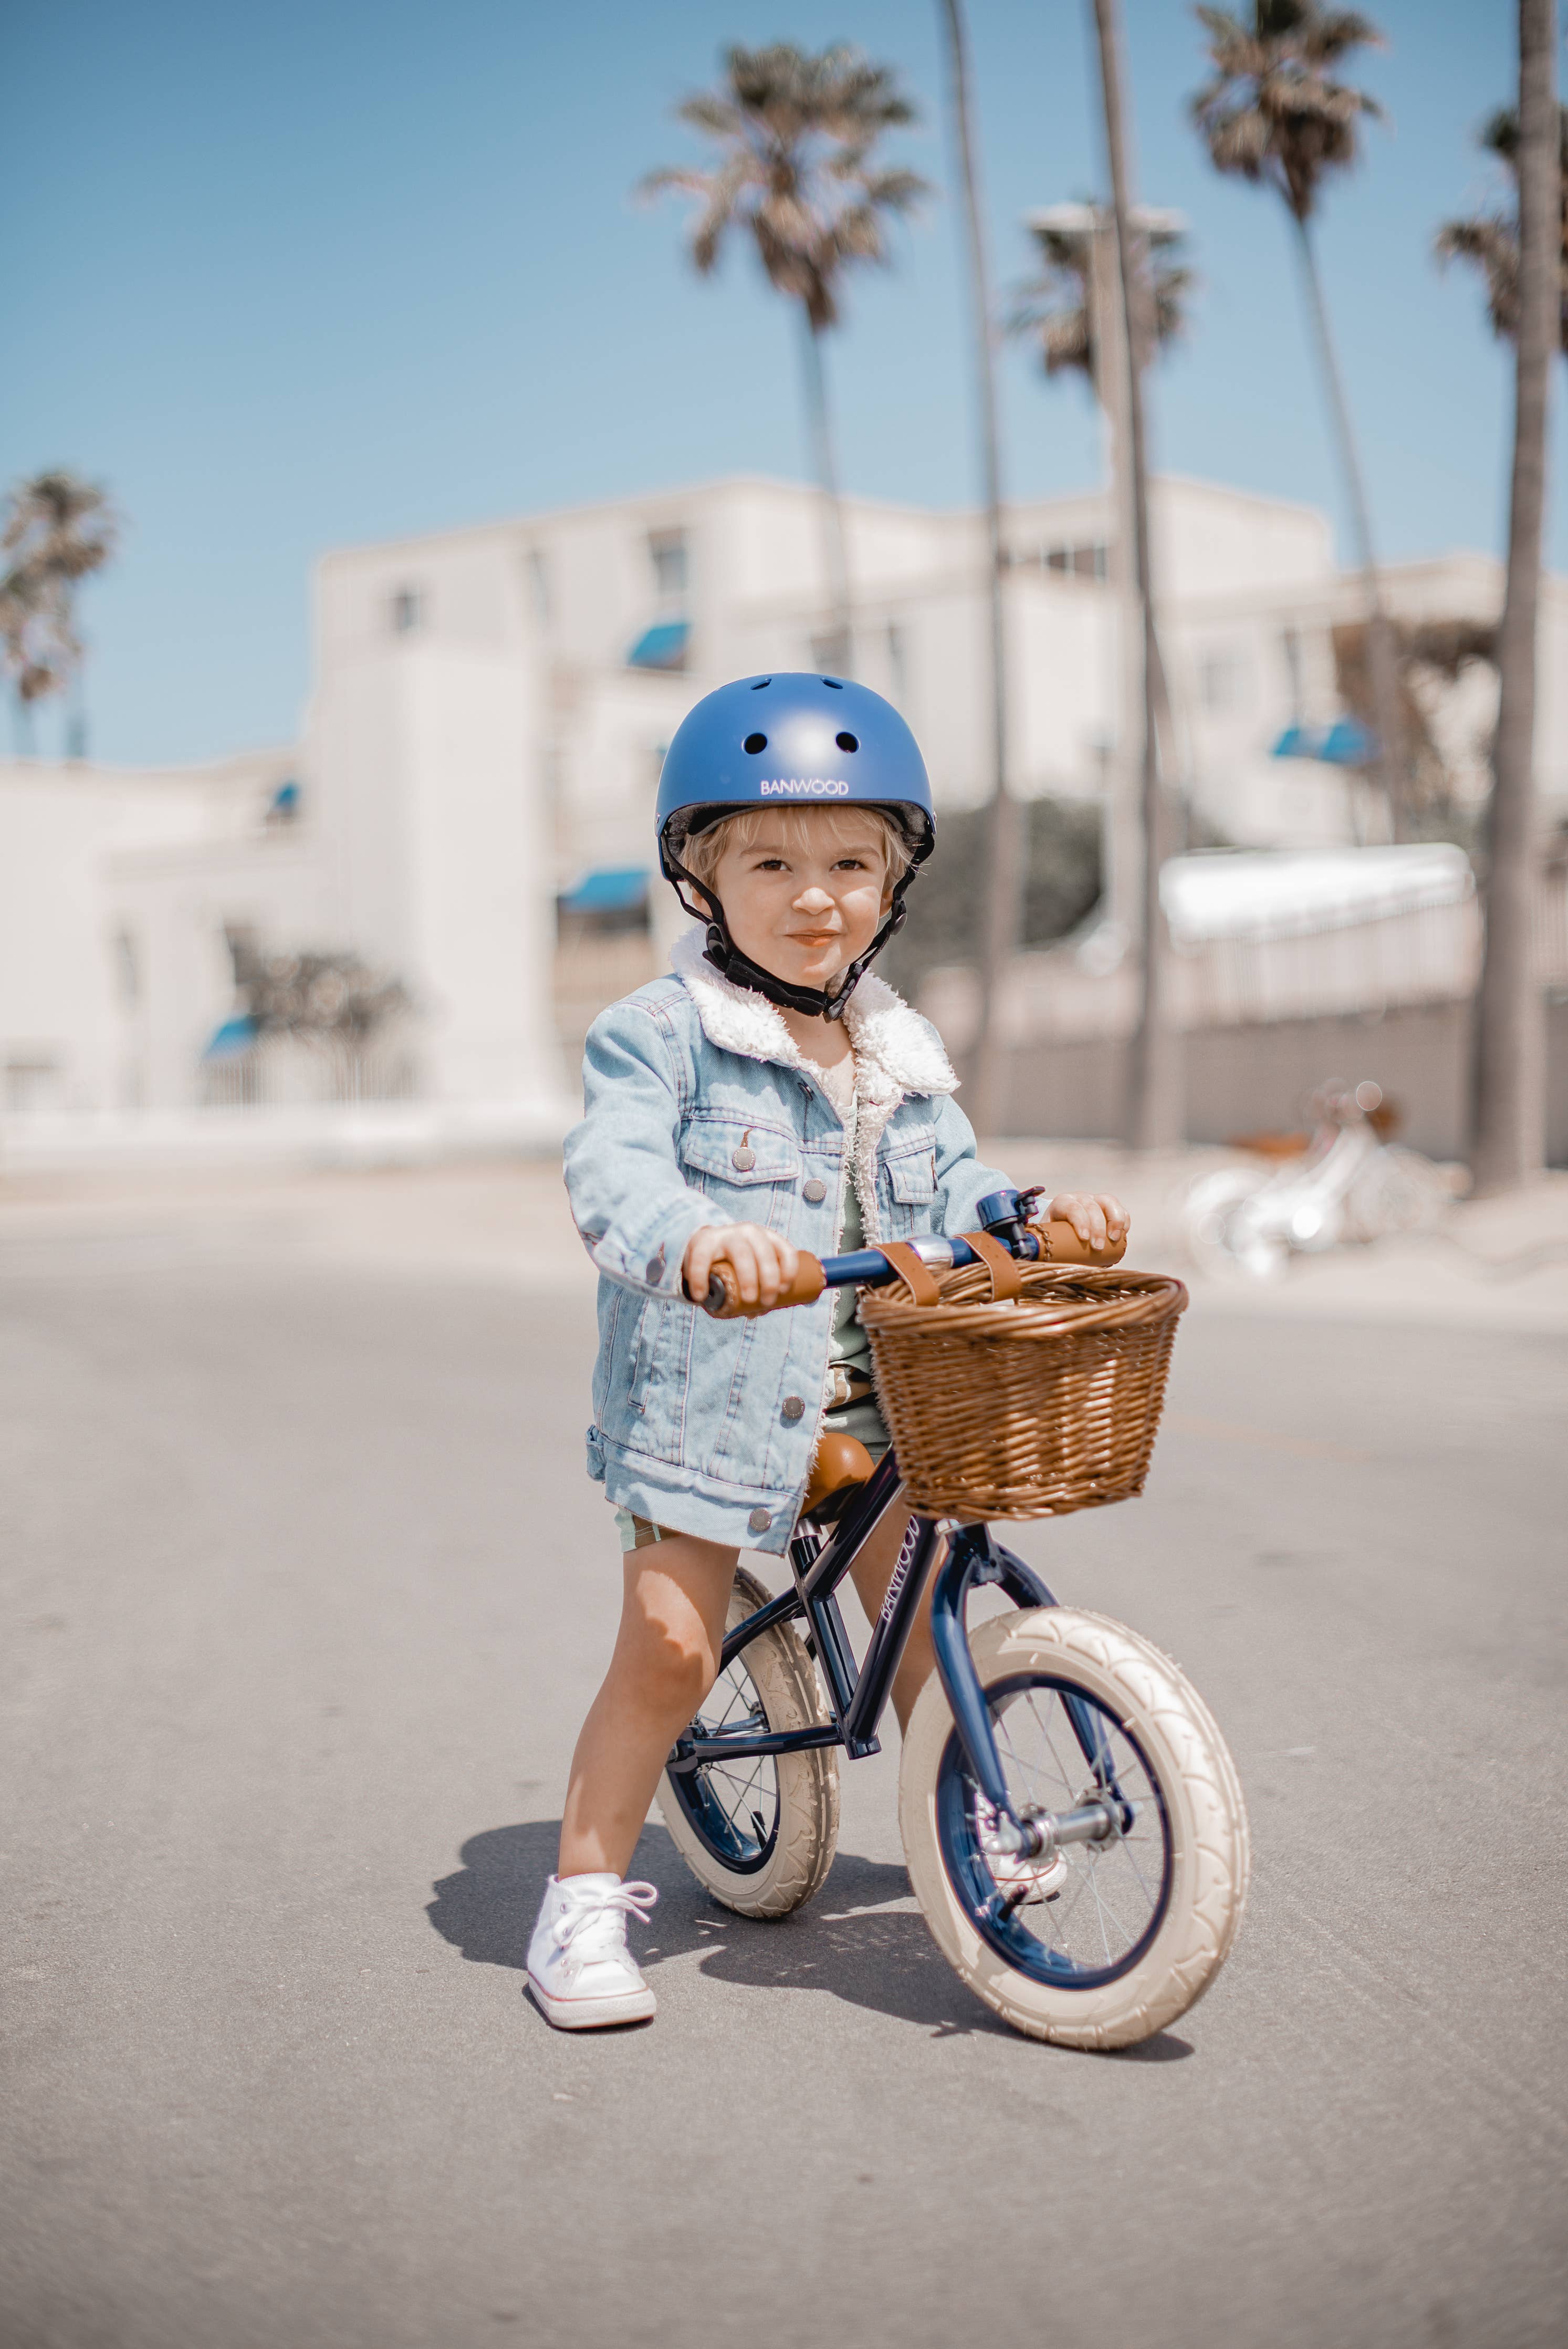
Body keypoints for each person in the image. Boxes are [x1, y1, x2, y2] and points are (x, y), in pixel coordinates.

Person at [528, 673, 1127, 2029]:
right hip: (708, 1404)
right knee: (674, 1652)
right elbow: (610, 1174)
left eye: (853, 862)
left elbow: (958, 1182)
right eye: (774, 862)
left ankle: (969, 1827)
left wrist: (1031, 1218)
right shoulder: (663, 1037)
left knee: (923, 1616)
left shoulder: (897, 1048)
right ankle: (575, 1908)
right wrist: (695, 1241)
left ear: (895, 880)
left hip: (879, 1394)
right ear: (703, 875)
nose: (817, 896)